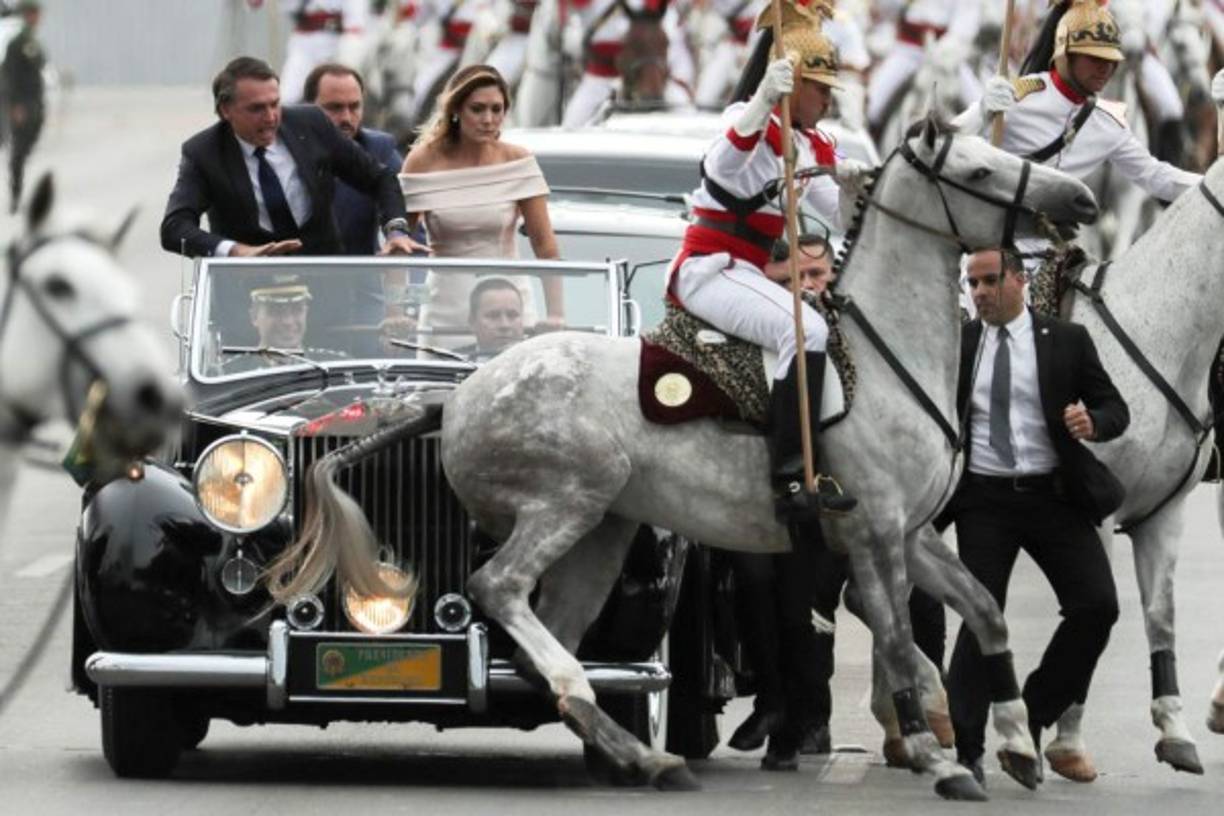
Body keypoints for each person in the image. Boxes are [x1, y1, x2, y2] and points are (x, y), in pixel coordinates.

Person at [667, 0, 870, 521]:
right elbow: (721, 169)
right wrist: (762, 99)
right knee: (806, 333)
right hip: (709, 268)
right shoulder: (746, 119)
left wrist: (849, 189)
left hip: (747, 272)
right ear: (793, 84)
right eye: (820, 88)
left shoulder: (813, 142)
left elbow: (844, 221)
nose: (827, 100)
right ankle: (790, 474)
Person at [938, 249, 1129, 788]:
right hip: (983, 499)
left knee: (1098, 607)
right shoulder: (962, 344)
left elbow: (1116, 408)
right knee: (981, 615)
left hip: (1053, 495)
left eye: (990, 281)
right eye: (970, 283)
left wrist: (1093, 420)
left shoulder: (1065, 340)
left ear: (1020, 280)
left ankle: (1036, 712)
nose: (978, 293)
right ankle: (968, 749)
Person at [952, 0, 1204, 305]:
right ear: (1064, 55)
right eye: (1093, 57)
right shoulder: (1021, 94)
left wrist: (1214, 183)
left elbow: (1156, 177)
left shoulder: (1108, 124)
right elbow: (949, 143)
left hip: (1053, 254)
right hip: (993, 244)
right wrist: (981, 111)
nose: (1106, 68)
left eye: (1111, 59)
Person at [160, 56, 426, 259]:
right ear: (225, 110)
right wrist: (236, 251)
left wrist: (395, 231)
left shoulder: (310, 124)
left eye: (275, 104)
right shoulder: (203, 153)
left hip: (326, 284)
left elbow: (380, 178)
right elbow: (174, 228)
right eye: (256, 109)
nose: (271, 117)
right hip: (248, 296)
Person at [399, 64, 563, 344]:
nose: (488, 119)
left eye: (496, 109)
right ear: (456, 111)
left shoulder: (517, 160)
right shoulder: (421, 161)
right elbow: (398, 246)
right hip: (445, 310)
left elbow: (545, 245)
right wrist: (398, 310)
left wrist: (556, 314)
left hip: (509, 308)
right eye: (477, 109)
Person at [303, 62, 404, 255]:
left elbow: (406, 216)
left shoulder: (380, 150)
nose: (346, 118)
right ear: (307, 109)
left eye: (355, 106)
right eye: (335, 107)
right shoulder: (283, 150)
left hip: (360, 278)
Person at [865, 0, 982, 138]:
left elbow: (964, 27)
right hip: (907, 52)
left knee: (979, 104)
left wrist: (943, 51)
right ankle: (874, 147)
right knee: (873, 106)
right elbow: (886, 8)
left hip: (946, 57)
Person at [279, 0, 370, 106]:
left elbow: (354, 29)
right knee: (287, 98)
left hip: (336, 44)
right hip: (303, 43)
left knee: (338, 98)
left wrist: (347, 63)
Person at [1, 0, 45, 214]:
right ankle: (16, 193)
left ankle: (18, 186)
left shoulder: (32, 40)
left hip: (35, 102)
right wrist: (14, 105)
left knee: (28, 144)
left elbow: (40, 67)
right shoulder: (16, 43)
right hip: (22, 103)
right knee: (18, 151)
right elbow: (9, 76)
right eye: (33, 13)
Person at [456, 277, 527, 361]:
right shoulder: (452, 364)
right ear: (472, 322)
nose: (504, 325)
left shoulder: (539, 362)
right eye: (493, 316)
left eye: (512, 315)